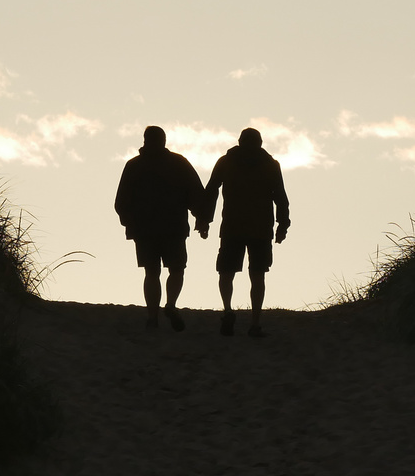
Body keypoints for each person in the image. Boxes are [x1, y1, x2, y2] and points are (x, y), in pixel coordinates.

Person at [114, 125, 208, 331]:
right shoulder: (178, 163)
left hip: (145, 229)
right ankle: (171, 305)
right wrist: (201, 219)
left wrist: (130, 224)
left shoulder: (134, 165)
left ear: (145, 140)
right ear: (164, 141)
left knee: (151, 272)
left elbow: (121, 202)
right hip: (173, 227)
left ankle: (152, 316)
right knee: (176, 269)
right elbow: (196, 193)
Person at [203, 127, 290, 338]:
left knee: (226, 272)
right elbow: (280, 197)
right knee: (257, 275)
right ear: (260, 143)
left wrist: (205, 219)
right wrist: (282, 225)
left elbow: (212, 190)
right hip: (260, 228)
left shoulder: (226, 161)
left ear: (240, 141)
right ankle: (255, 322)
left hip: (232, 225)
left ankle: (228, 310)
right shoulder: (270, 165)